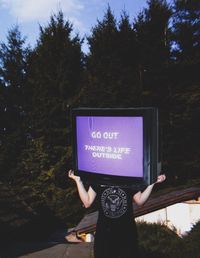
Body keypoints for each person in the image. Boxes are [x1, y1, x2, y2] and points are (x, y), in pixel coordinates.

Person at [68, 169, 166, 258]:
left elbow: (140, 201)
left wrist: (152, 184)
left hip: (126, 234)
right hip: (105, 234)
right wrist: (78, 181)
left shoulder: (128, 180)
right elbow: (87, 202)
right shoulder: (99, 180)